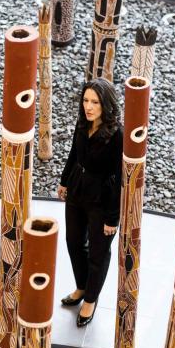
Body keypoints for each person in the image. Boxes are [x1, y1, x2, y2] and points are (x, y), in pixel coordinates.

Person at [57, 78, 123, 327]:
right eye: (86, 100)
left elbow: (119, 180)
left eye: (95, 102)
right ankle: (81, 286)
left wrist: (112, 218)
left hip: (101, 198)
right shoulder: (82, 124)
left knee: (98, 252)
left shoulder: (117, 135)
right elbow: (74, 154)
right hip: (77, 189)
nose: (89, 106)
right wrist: (64, 181)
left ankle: (90, 299)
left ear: (105, 104)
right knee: (73, 242)